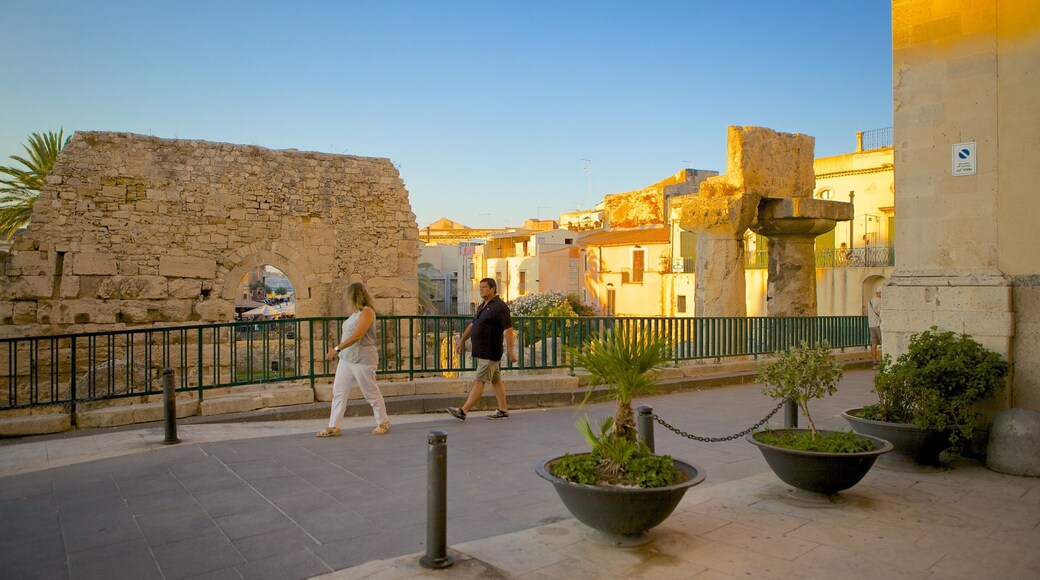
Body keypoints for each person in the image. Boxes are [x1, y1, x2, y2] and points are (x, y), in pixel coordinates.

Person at [318, 282, 391, 437]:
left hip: (363, 358)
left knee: (370, 392)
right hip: (347, 359)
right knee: (339, 391)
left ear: (353, 296)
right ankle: (334, 425)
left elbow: (357, 335)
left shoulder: (367, 312)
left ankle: (383, 421)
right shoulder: (355, 314)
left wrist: (336, 349)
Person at [447, 278, 517, 421]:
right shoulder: (482, 306)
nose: (482, 290)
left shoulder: (500, 307)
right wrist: (461, 340)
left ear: (493, 289)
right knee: (496, 379)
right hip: (482, 351)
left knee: (479, 380)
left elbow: (509, 330)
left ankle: (463, 411)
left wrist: (511, 351)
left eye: (485, 287)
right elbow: (473, 325)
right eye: (480, 287)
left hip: (490, 351)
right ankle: (503, 410)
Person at [867, 288, 882, 369]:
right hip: (878, 325)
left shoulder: (869, 301)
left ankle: (874, 363)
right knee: (884, 343)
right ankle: (885, 361)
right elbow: (881, 313)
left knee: (873, 344)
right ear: (879, 293)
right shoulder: (879, 301)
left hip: (871, 325)